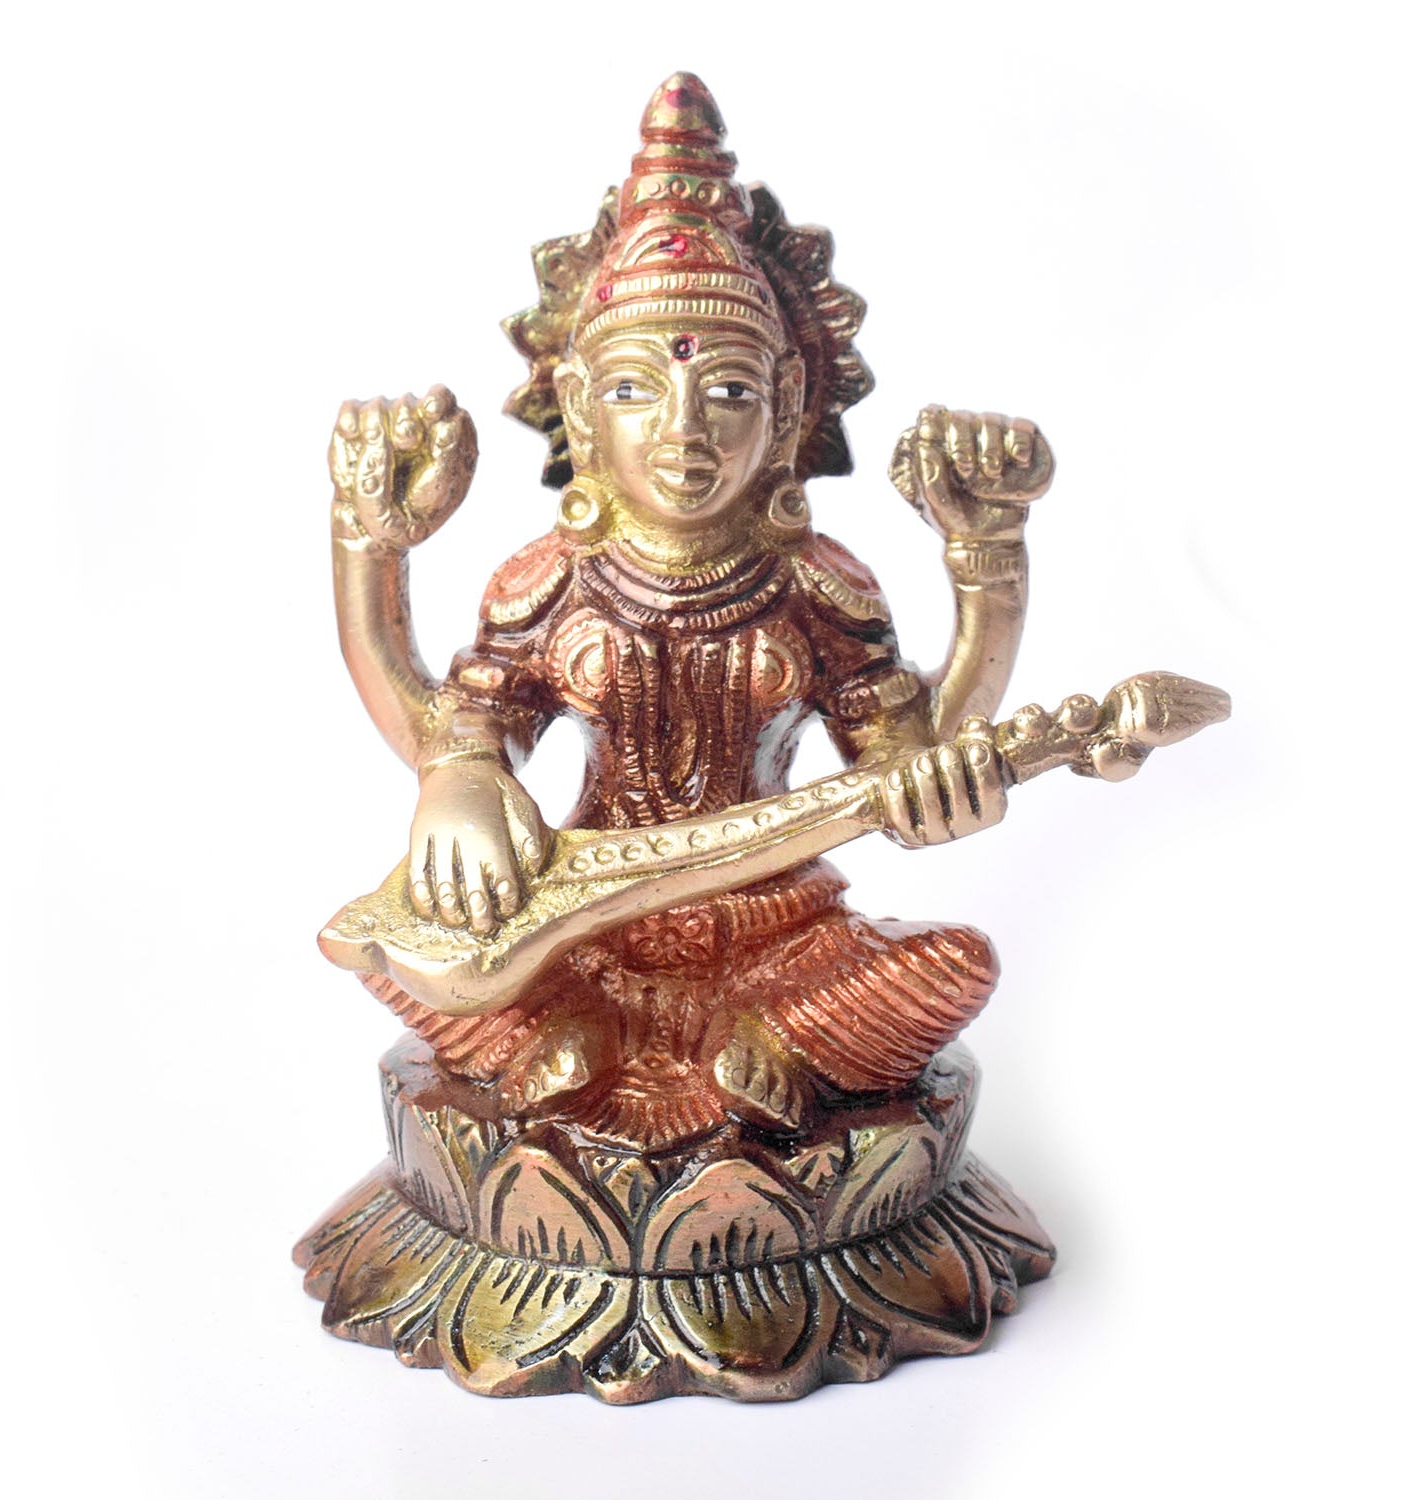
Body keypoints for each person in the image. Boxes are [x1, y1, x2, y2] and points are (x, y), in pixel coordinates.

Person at [326, 74, 1054, 1152]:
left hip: (781, 936)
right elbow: (464, 730)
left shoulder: (820, 588)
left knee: (954, 966)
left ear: (789, 405)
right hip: (582, 936)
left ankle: (745, 1044)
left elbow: (905, 764)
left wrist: (986, 562)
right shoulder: (550, 581)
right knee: (388, 949)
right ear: (578, 407)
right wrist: (375, 566)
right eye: (634, 389)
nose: (684, 431)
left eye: (729, 391)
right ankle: (601, 1041)